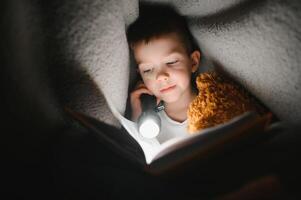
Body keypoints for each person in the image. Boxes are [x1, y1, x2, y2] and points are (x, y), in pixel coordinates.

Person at [126, 4, 201, 143]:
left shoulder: (217, 105)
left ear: (193, 62)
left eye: (172, 62)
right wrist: (137, 116)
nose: (161, 76)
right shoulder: (147, 125)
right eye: (147, 70)